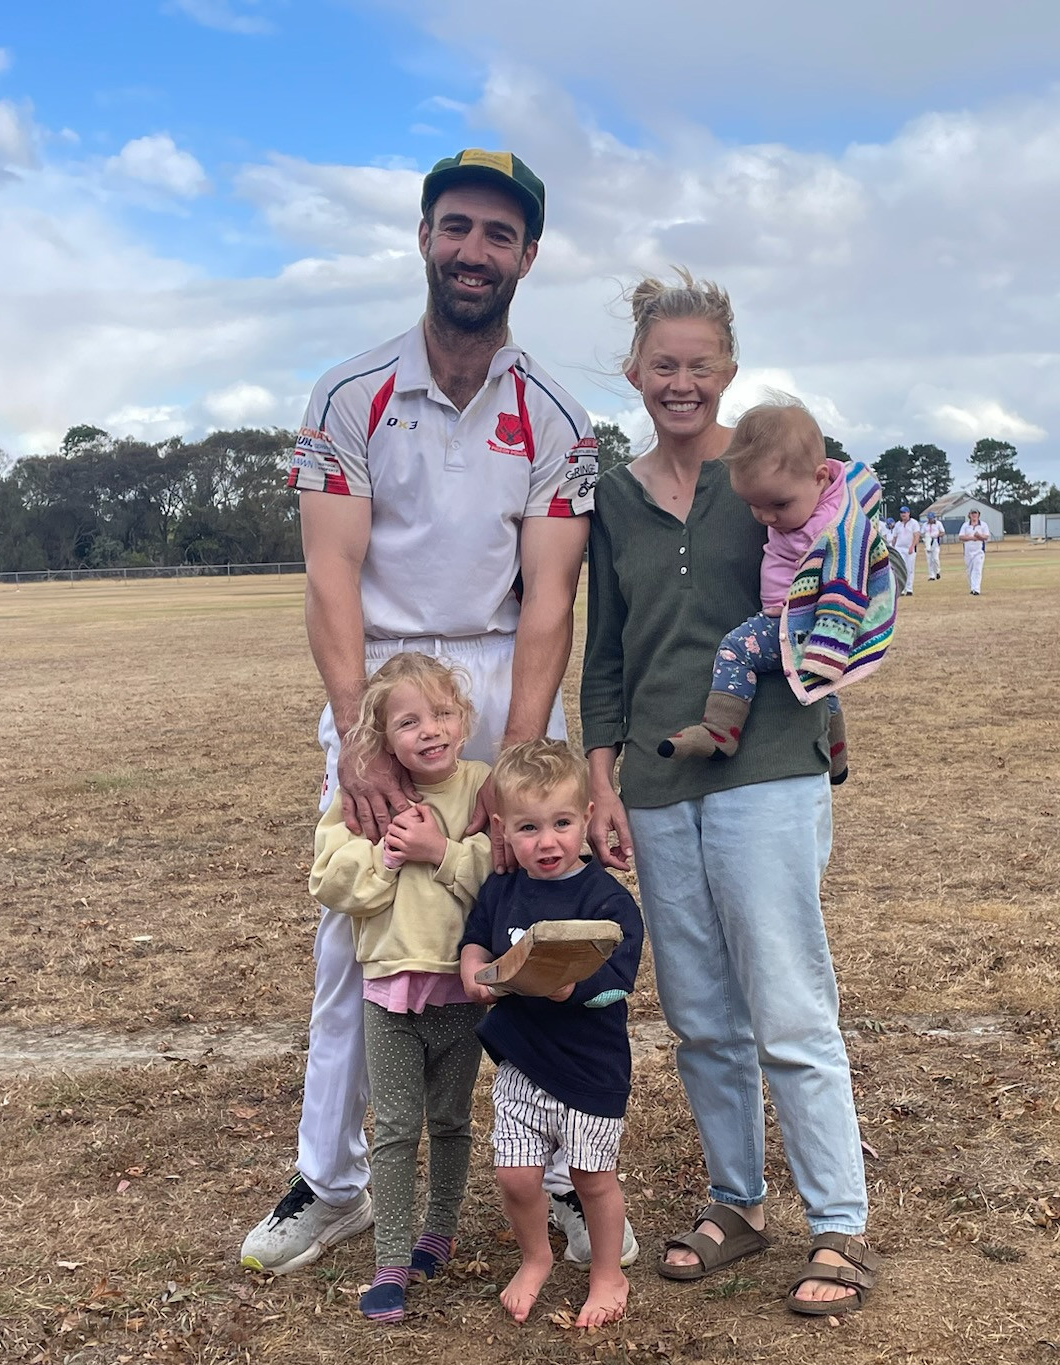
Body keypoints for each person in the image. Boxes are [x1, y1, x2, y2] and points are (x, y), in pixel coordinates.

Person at [241, 147, 637, 1277]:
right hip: (381, 682)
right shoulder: (348, 392)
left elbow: (549, 589)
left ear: (526, 256)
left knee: (526, 927)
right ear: (423, 237)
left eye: (498, 236)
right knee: (358, 940)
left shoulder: (556, 413)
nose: (474, 251)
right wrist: (362, 735)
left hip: (504, 677)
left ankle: (562, 1177)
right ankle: (334, 1180)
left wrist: (517, 760)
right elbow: (330, 576)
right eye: (456, 227)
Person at [581, 270, 883, 1316]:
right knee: (702, 1017)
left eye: (697, 364)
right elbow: (606, 647)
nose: (679, 382)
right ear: (633, 372)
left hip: (765, 769)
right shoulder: (611, 496)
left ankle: (837, 1225)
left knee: (788, 1006)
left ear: (726, 371)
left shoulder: (770, 472)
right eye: (661, 364)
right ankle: (737, 1205)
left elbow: (847, 568)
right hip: (658, 781)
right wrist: (599, 774)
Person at [307, 654, 493, 1323]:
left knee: (449, 1121)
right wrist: (386, 854)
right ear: (383, 738)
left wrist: (441, 851)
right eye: (409, 720)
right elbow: (328, 879)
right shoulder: (364, 800)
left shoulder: (482, 788)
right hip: (388, 994)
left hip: (463, 996)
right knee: (393, 1129)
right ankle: (390, 1258)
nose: (430, 730)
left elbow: (505, 874)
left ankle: (436, 1233)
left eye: (442, 713)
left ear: (465, 720)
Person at [458, 740, 645, 1329]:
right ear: (502, 830)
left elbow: (618, 983)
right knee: (515, 1174)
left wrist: (564, 985)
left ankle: (607, 1272)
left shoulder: (607, 900)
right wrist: (473, 970)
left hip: (590, 1070)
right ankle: (536, 1257)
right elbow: (478, 938)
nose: (547, 841)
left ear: (586, 818)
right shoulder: (503, 889)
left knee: (593, 1179)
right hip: (522, 1063)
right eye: (528, 827)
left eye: (562, 824)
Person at [656, 399, 896, 787]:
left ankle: (720, 730)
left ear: (819, 477)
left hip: (798, 622)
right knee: (817, 690)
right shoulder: (824, 492)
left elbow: (843, 589)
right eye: (754, 505)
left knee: (736, 650)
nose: (767, 517)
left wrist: (826, 652)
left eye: (779, 504)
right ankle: (835, 752)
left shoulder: (834, 532)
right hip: (798, 620)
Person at [885, 507, 921, 595]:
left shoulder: (914, 523)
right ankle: (902, 589)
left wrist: (912, 546)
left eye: (905, 513)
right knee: (900, 569)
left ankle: (909, 589)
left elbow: (916, 536)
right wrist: (892, 549)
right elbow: (894, 538)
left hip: (909, 548)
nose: (903, 514)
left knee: (909, 569)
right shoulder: (898, 524)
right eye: (901, 513)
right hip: (899, 548)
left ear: (908, 513)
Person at [959, 507, 991, 595]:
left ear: (978, 515)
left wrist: (979, 536)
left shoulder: (983, 525)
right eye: (972, 513)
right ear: (969, 515)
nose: (974, 515)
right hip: (968, 552)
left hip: (979, 551)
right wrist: (972, 537)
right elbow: (961, 537)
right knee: (969, 571)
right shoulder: (965, 525)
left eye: (975, 513)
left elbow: (986, 537)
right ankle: (972, 588)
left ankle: (976, 589)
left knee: (977, 569)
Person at [922, 512, 944, 580]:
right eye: (929, 518)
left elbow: (942, 532)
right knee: (929, 559)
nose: (930, 520)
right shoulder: (925, 525)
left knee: (935, 558)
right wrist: (925, 538)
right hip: (928, 541)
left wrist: (937, 535)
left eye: (931, 518)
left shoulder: (938, 524)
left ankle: (937, 571)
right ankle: (931, 575)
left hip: (935, 541)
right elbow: (922, 533)